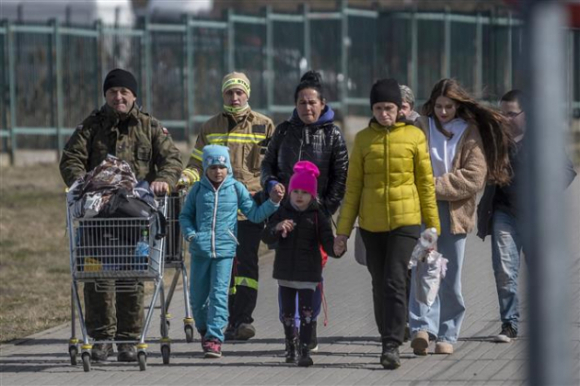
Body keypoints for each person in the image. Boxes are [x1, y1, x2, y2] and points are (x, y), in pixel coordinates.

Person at [59, 68, 183, 362]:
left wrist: (163, 179)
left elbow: (172, 159)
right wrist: (82, 184)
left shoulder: (149, 126)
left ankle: (129, 340)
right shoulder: (91, 126)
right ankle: (101, 338)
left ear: (134, 96)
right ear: (106, 96)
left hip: (134, 217)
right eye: (113, 92)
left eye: (124, 92)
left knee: (133, 275)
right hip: (97, 215)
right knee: (95, 275)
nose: (118, 97)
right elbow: (71, 159)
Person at [333, 78, 440, 369]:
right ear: (372, 109)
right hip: (371, 225)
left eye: (389, 107)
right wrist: (343, 232)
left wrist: (432, 226)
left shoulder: (414, 137)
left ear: (399, 109)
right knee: (380, 283)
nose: (384, 113)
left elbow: (425, 185)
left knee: (394, 278)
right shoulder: (364, 139)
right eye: (379, 108)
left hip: (406, 222)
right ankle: (392, 328)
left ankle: (389, 345)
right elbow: (353, 188)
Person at [408, 78, 512, 356]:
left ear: (458, 105)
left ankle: (448, 332)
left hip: (454, 214)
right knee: (423, 270)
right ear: (431, 104)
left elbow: (474, 178)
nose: (443, 112)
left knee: (449, 276)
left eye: (448, 107)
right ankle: (421, 326)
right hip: (422, 210)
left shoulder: (470, 131)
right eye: (439, 106)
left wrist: (432, 184)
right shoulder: (421, 127)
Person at [178, 72, 276, 341]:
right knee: (222, 270)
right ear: (223, 95)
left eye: (239, 92)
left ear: (248, 94)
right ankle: (223, 319)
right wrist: (186, 178)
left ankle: (242, 319)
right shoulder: (210, 127)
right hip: (216, 213)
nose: (234, 98)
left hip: (249, 207)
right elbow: (197, 164)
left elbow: (273, 167)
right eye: (229, 93)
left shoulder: (265, 126)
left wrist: (270, 194)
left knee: (246, 267)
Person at [477, 90, 577, 343]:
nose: (505, 118)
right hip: (503, 213)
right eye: (502, 112)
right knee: (504, 270)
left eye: (511, 113)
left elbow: (567, 170)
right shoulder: (495, 139)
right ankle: (509, 324)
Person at [261, 70, 349, 352]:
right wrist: (272, 184)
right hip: (286, 216)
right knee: (287, 274)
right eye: (302, 103)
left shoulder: (333, 135)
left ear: (323, 103)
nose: (307, 107)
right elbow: (267, 167)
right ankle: (292, 330)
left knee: (311, 275)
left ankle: (308, 330)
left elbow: (340, 178)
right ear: (295, 105)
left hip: (315, 219)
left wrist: (323, 211)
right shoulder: (284, 131)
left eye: (312, 102)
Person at [178, 145, 283, 358]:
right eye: (213, 167)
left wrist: (273, 202)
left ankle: (215, 338)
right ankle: (204, 329)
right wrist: (191, 235)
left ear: (228, 168)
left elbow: (254, 214)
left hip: (226, 251)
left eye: (222, 167)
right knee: (198, 299)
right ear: (206, 168)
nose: (218, 171)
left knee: (218, 294)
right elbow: (185, 216)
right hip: (200, 251)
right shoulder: (197, 190)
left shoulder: (236, 188)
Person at [262, 161, 341, 367]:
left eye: (304, 192)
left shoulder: (318, 215)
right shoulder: (282, 212)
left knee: (307, 315)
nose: (299, 196)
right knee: (287, 314)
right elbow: (267, 236)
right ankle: (291, 346)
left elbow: (328, 243)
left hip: (308, 275)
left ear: (312, 195)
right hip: (286, 273)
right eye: (295, 191)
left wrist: (337, 249)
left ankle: (305, 350)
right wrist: (277, 228)